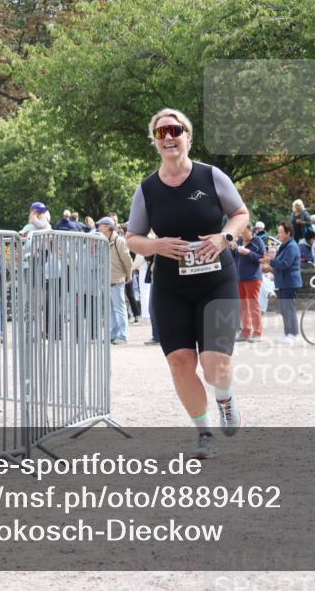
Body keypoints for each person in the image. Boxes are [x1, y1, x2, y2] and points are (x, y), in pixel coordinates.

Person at [125, 108, 249, 459]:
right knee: (180, 360)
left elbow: (240, 214)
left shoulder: (211, 177)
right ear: (154, 141)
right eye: (161, 132)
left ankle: (224, 399)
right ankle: (203, 430)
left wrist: (225, 237)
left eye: (175, 130)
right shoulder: (147, 189)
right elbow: (132, 237)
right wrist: (157, 246)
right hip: (171, 286)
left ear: (188, 136)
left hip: (216, 283)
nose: (168, 137)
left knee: (215, 365)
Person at [262, 222, 301, 345]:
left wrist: (270, 261)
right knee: (284, 309)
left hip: (290, 281)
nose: (278, 234)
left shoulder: (291, 246)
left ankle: (293, 334)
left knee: (289, 308)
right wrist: (269, 266)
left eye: (280, 232)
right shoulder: (285, 245)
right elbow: (279, 263)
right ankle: (287, 333)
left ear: (288, 233)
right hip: (284, 282)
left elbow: (285, 264)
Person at [97, 216, 132, 345]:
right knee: (111, 309)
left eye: (100, 225)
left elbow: (127, 260)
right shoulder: (103, 240)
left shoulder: (119, 241)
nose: (98, 227)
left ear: (107, 227)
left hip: (117, 279)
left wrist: (129, 275)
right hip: (107, 280)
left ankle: (123, 336)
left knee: (119, 309)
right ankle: (113, 335)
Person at [231, 222, 265, 342]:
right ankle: (246, 332)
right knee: (242, 307)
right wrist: (233, 249)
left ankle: (257, 333)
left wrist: (248, 253)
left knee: (253, 306)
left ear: (251, 231)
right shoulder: (239, 241)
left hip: (253, 278)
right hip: (239, 278)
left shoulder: (258, 242)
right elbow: (233, 257)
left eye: (245, 232)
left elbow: (261, 258)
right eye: (241, 232)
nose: (242, 235)